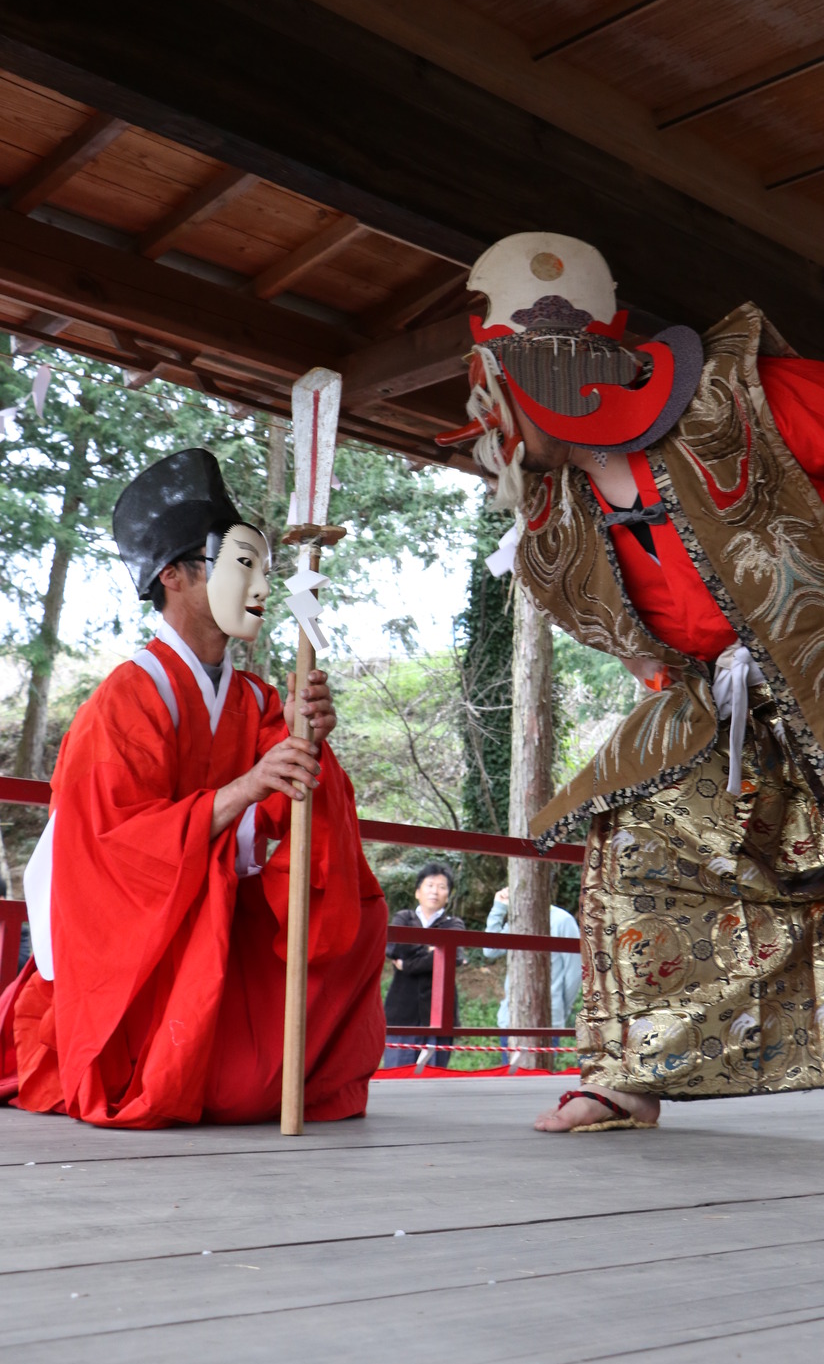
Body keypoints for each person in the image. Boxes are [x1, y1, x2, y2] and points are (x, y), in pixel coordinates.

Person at [440, 230, 824, 1134]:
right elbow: (610, 613)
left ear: (547, 380)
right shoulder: (559, 499)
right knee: (641, 833)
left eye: (497, 399)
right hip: (729, 701)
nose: (490, 427)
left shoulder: (731, 398)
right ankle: (629, 1074)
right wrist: (652, 664)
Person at [0, 448, 386, 1128]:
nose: (260, 585)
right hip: (136, 938)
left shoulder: (258, 699)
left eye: (263, 568)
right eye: (240, 565)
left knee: (351, 918)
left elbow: (295, 815)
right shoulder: (124, 701)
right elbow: (108, 849)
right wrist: (242, 790)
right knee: (222, 1085)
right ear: (173, 577)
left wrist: (308, 746)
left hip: (216, 920)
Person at [483, 887, 581, 1062]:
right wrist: (499, 908)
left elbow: (574, 975)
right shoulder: (518, 919)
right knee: (510, 1083)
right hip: (510, 1018)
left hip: (546, 1019)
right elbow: (490, 950)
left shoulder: (562, 921)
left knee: (540, 1081)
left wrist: (560, 1010)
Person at [383, 862, 466, 1067]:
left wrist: (408, 964)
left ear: (448, 895)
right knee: (397, 1076)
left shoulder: (453, 924)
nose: (435, 891)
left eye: (442, 887)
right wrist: (432, 949)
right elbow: (393, 949)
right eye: (429, 885)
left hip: (439, 1014)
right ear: (417, 892)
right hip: (401, 1013)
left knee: (434, 1081)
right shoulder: (404, 917)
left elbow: (453, 957)